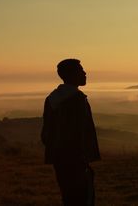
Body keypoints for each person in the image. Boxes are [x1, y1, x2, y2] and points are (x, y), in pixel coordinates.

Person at [41, 58, 101, 206]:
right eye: (80, 70)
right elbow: (79, 133)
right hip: (76, 160)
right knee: (82, 199)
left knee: (69, 198)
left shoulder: (52, 98)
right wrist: (81, 157)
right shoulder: (76, 100)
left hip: (60, 159)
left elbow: (46, 133)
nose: (85, 73)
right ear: (71, 74)